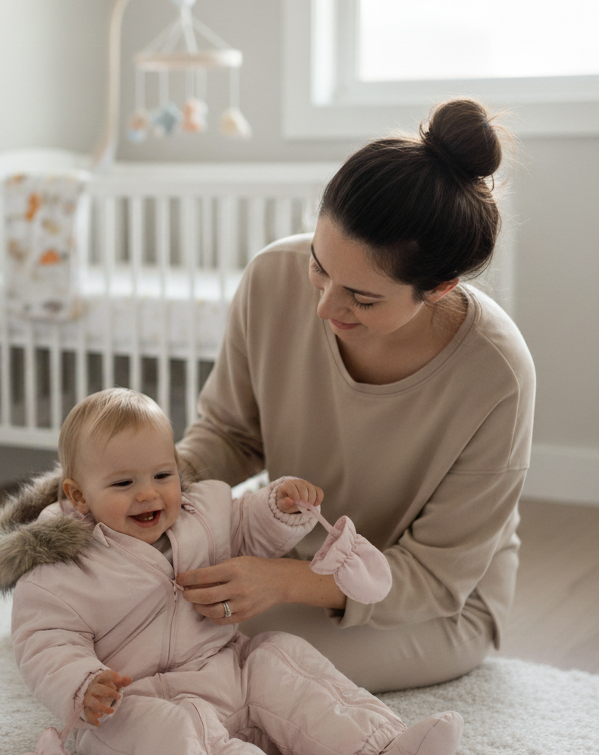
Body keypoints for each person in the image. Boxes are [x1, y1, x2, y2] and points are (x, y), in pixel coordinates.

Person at [0, 388, 463, 755]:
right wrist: (83, 685)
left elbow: (246, 523)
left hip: (225, 666)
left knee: (281, 656)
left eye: (162, 476)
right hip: (136, 700)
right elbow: (45, 642)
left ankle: (380, 753)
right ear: (78, 496)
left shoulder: (200, 513)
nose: (149, 494)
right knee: (169, 742)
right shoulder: (61, 569)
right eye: (124, 483)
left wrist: (278, 506)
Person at [175, 98, 536, 694]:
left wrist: (286, 581)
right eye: (319, 267)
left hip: (432, 605)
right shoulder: (271, 277)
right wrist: (155, 486)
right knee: (141, 617)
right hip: (296, 562)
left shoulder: (495, 375)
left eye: (362, 299)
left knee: (242, 664)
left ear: (439, 287)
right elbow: (230, 434)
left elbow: (436, 577)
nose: (325, 307)